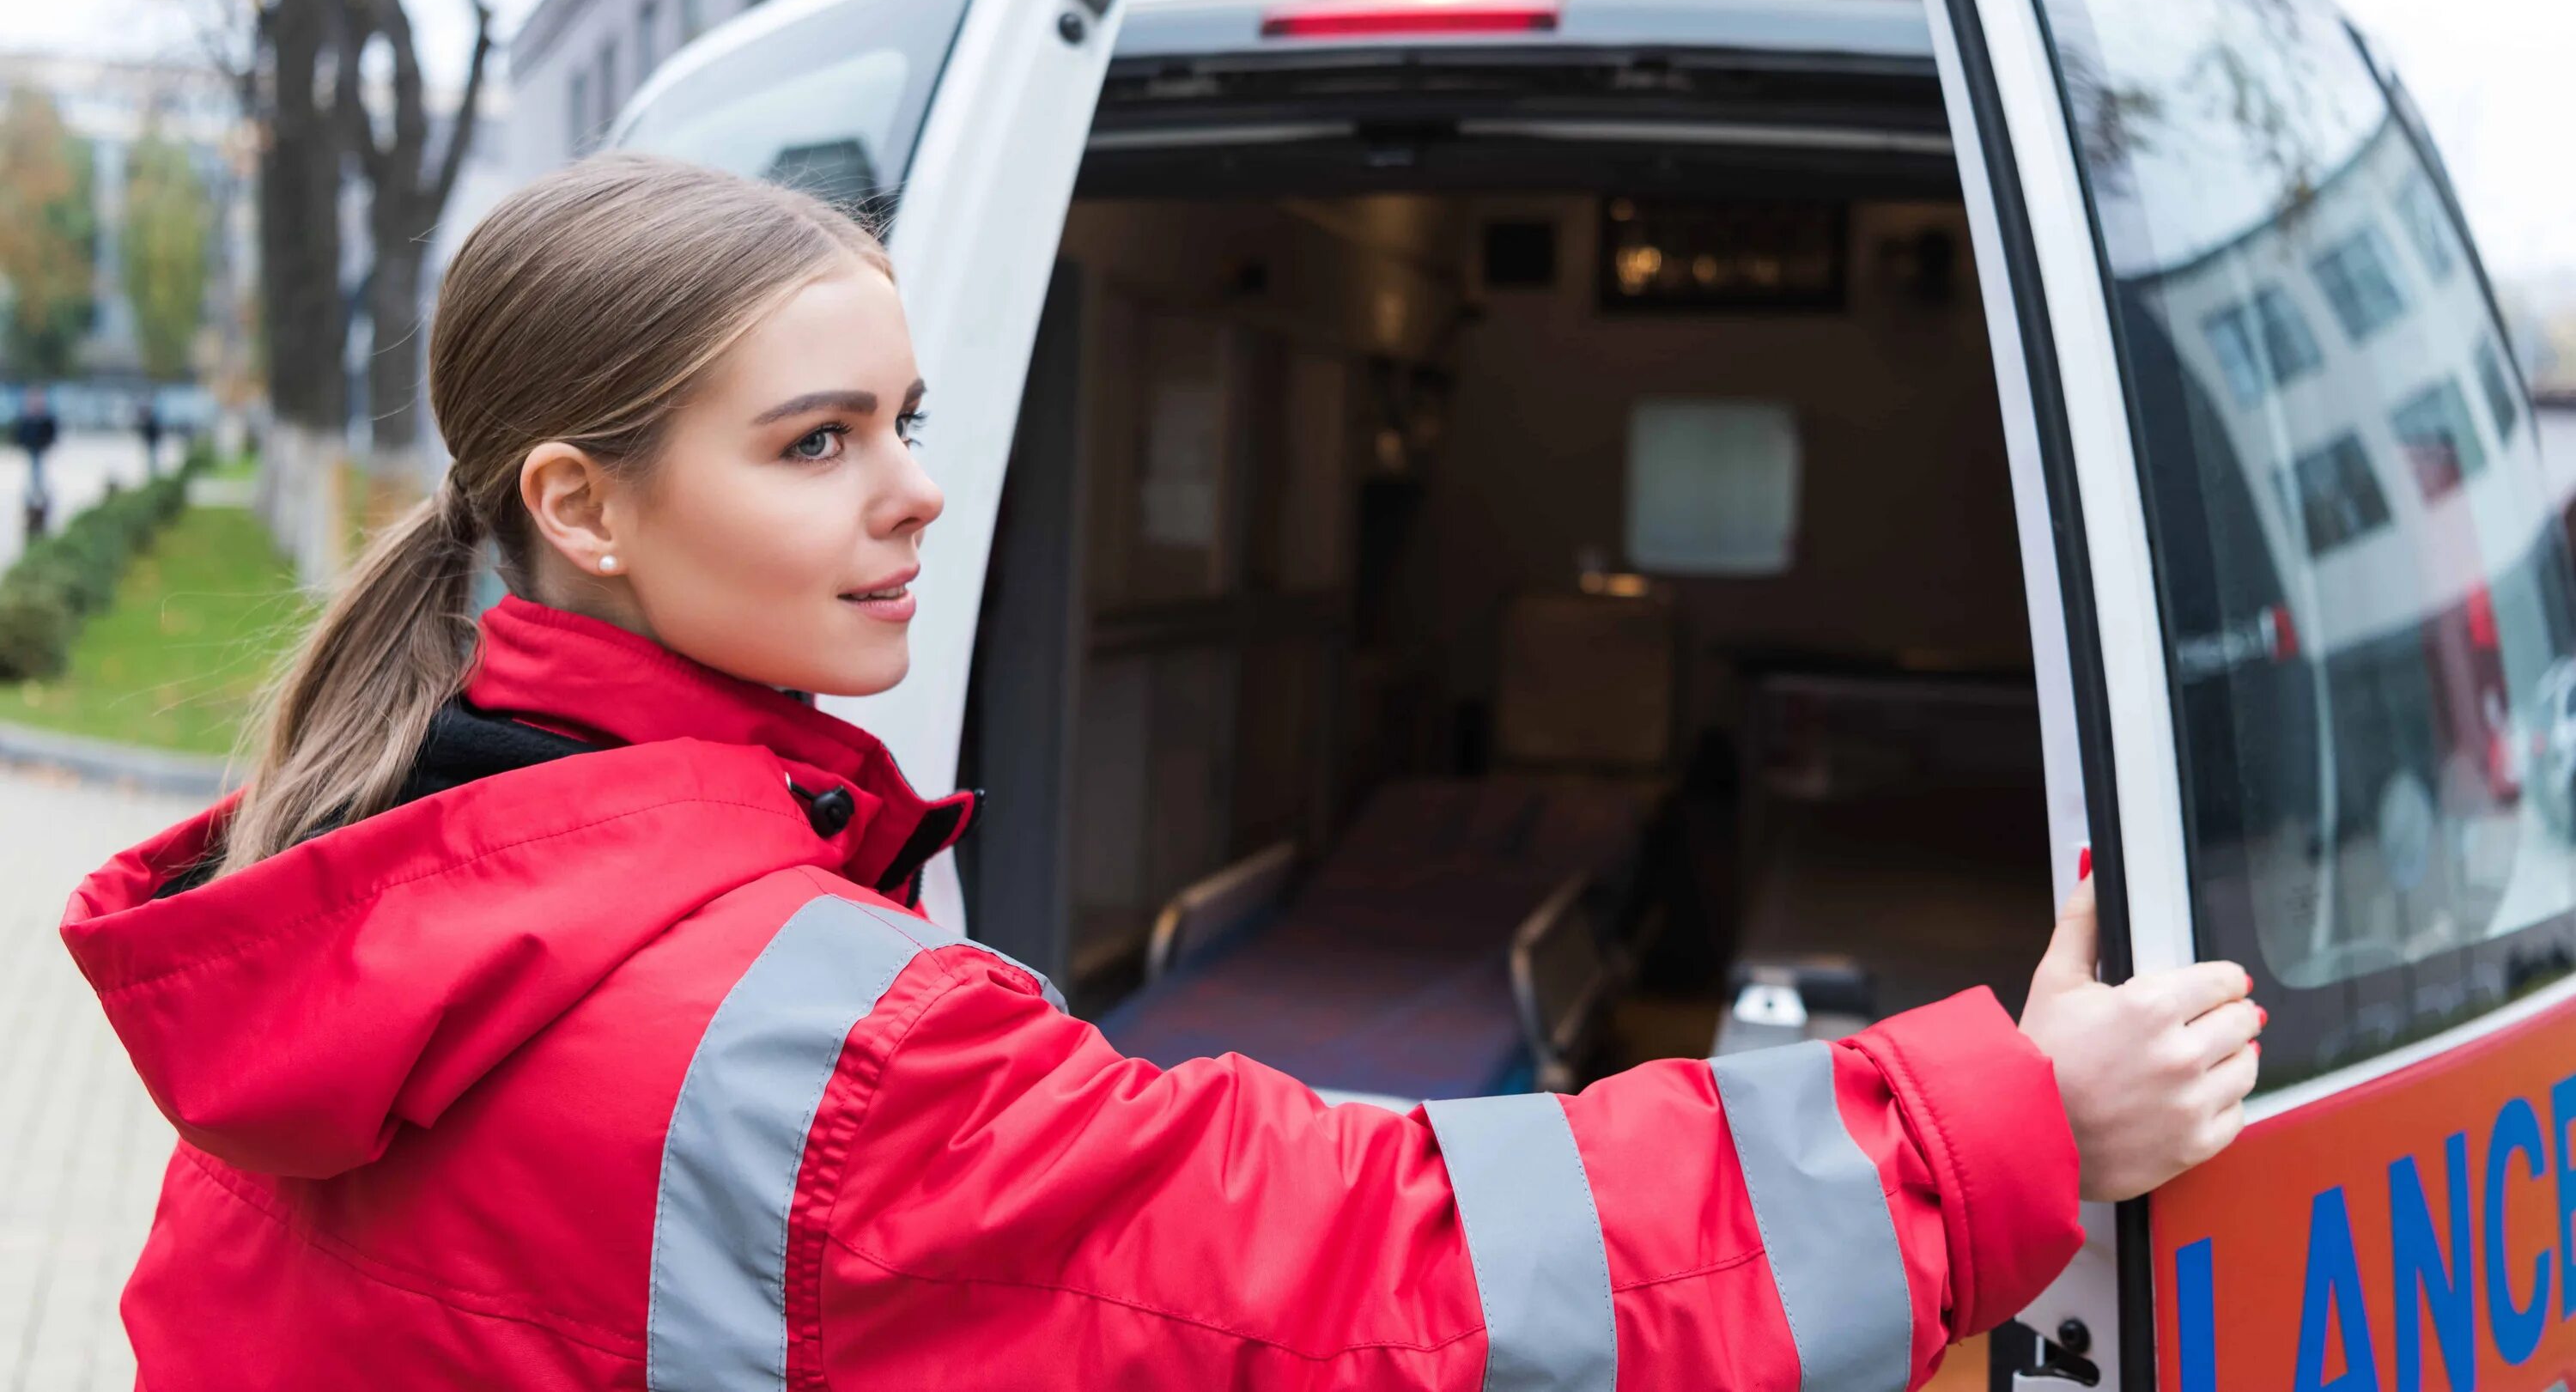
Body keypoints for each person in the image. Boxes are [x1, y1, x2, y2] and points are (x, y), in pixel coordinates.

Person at [62, 155, 2262, 1390]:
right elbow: (1386, 1266)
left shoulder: (326, 897)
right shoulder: (817, 1046)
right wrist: (1997, 1127)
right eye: (818, 442)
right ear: (585, 504)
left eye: (908, 419)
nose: (919, 492)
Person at [14, 384, 58, 536]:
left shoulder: (44, 418)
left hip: (41, 451)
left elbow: (51, 434)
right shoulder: (28, 418)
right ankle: (33, 503)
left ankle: (40, 503)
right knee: (33, 476)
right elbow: (20, 435)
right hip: (32, 451)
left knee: (39, 475)